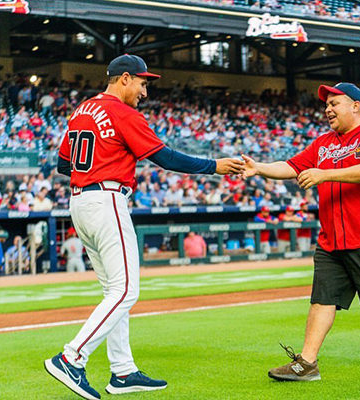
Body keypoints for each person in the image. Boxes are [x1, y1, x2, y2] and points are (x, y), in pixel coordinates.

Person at [44, 54, 244, 400]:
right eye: (142, 82)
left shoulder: (82, 110)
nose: (145, 91)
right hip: (106, 199)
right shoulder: (122, 112)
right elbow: (164, 158)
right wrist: (215, 165)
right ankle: (71, 357)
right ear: (124, 78)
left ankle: (123, 372)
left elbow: (63, 163)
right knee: (126, 291)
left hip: (81, 201)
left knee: (114, 293)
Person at [242, 82, 360, 381]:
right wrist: (259, 167)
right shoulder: (323, 143)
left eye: (334, 103)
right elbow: (291, 166)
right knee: (322, 298)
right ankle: (307, 362)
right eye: (326, 104)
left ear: (356, 106)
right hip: (332, 236)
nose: (327, 109)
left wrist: (324, 173)